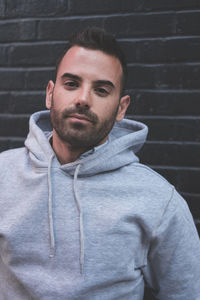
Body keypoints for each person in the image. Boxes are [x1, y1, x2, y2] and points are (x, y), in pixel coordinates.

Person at [0, 27, 200, 300]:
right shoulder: (3, 174)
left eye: (102, 90)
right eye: (71, 84)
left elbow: (187, 292)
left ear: (121, 107)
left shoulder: (159, 200)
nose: (83, 99)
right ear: (50, 93)